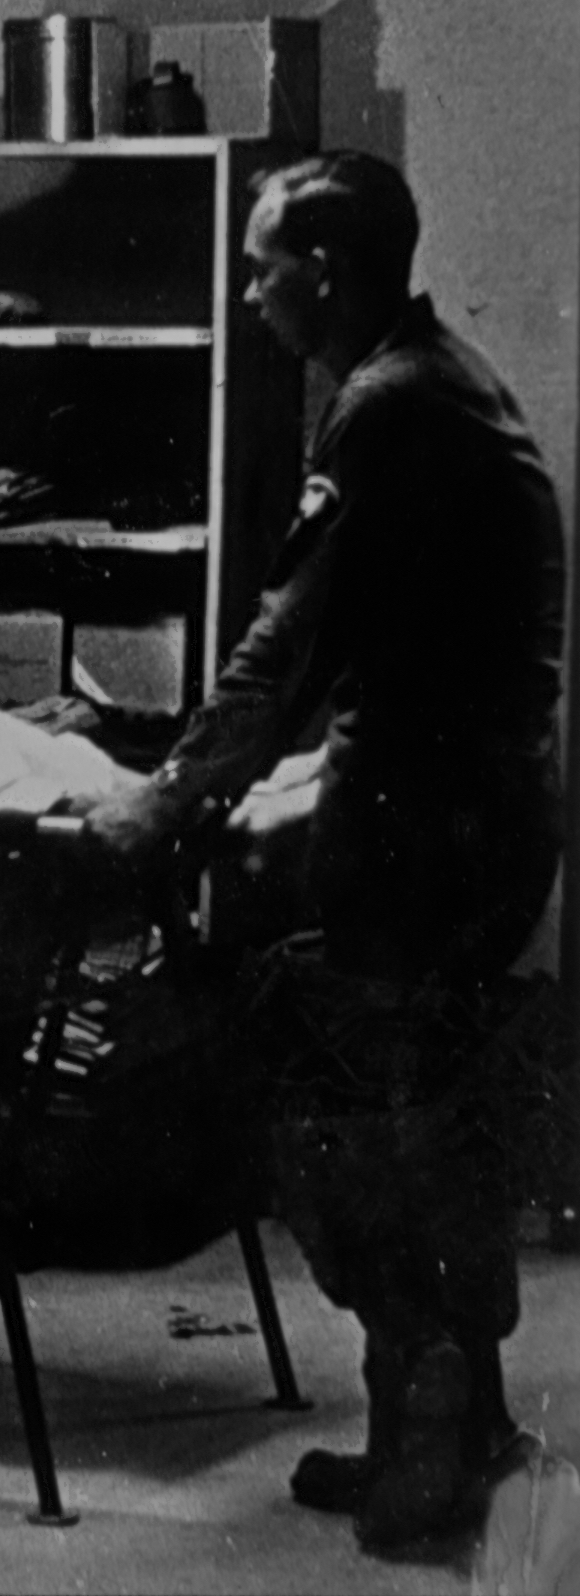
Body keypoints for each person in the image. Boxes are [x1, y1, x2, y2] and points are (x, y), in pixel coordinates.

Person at [88, 151, 565, 1552]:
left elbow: (286, 648)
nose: (249, 292)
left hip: (422, 840)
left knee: (374, 1132)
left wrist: (162, 806)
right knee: (426, 1118)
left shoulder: (391, 412)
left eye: (263, 266)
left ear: (330, 272)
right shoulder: (439, 383)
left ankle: (430, 1456)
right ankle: (451, 1432)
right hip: (473, 820)